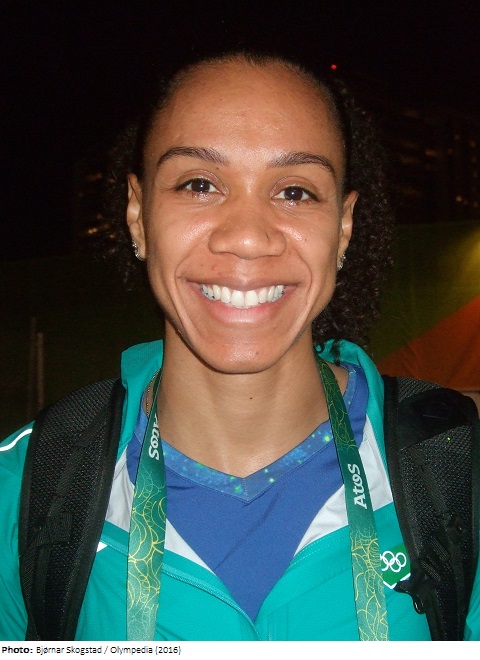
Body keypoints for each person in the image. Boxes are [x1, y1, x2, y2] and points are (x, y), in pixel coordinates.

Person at [1, 50, 479, 642]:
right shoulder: (25, 490)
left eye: (295, 192)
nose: (248, 238)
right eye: (199, 185)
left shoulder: (457, 473)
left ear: (344, 228)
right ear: (138, 216)